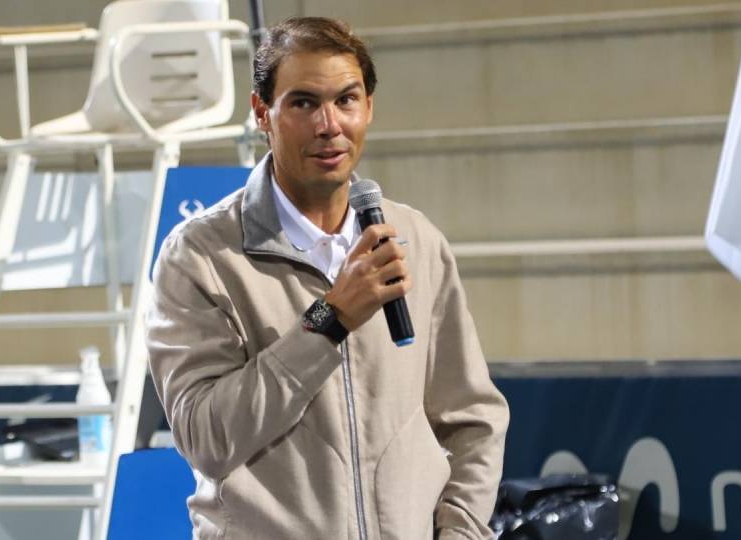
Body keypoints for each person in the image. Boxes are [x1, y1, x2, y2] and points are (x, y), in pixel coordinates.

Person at [147, 17, 509, 539]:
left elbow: (472, 420)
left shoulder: (417, 240)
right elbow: (206, 436)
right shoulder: (200, 257)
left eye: (346, 100)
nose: (329, 124)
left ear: (369, 108)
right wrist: (330, 319)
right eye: (303, 103)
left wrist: (460, 532)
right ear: (261, 114)